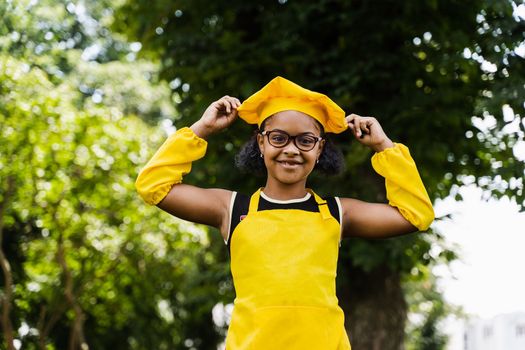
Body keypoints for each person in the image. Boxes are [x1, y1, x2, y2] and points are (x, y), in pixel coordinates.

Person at [135, 76, 434, 349]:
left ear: (319, 149)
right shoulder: (232, 208)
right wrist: (203, 128)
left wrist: (384, 146)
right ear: (261, 142)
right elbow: (153, 185)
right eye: (279, 137)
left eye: (305, 140)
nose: (291, 149)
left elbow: (415, 213)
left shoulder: (337, 212)